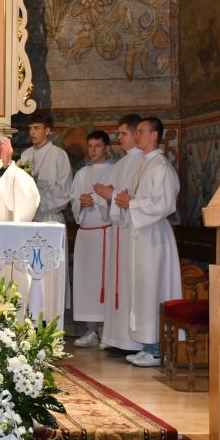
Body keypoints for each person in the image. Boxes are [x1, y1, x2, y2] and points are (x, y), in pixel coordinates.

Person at [112, 117, 182, 368]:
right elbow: (138, 200)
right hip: (141, 236)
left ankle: (157, 348)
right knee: (142, 290)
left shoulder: (160, 166)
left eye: (141, 131)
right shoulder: (144, 164)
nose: (137, 135)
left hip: (154, 237)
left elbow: (165, 204)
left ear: (154, 135)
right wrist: (125, 201)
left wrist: (130, 203)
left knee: (153, 289)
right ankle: (147, 345)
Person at [98, 115, 146, 353]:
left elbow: (137, 198)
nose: (119, 138)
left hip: (134, 232)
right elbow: (115, 195)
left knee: (128, 284)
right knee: (116, 281)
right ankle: (115, 337)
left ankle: (130, 340)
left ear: (137, 134)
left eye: (123, 133)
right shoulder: (120, 164)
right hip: (119, 230)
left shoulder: (143, 162)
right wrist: (107, 197)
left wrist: (112, 196)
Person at [68, 130, 117, 349]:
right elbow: (73, 201)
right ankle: (90, 330)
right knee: (86, 282)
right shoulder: (82, 173)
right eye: (90, 146)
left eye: (98, 146)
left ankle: (108, 332)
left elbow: (117, 198)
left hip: (105, 234)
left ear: (107, 147)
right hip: (86, 235)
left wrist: (102, 200)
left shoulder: (115, 170)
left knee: (105, 282)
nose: (93, 150)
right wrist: (81, 202)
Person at [20, 114, 72, 225]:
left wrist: (40, 200)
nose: (31, 132)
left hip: (50, 217)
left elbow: (65, 188)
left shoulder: (58, 154)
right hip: (28, 218)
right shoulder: (25, 155)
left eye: (36, 128)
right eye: (30, 128)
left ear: (47, 131)